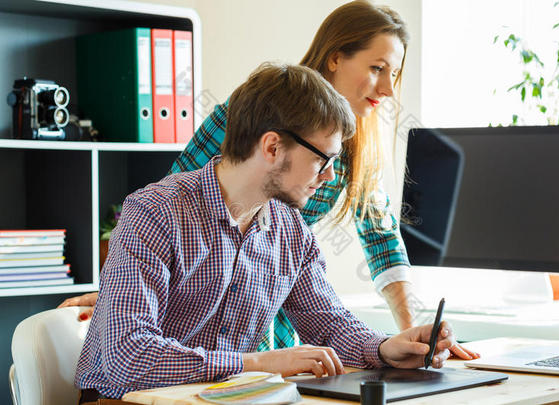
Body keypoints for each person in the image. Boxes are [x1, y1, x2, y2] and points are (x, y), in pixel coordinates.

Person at [60, 0, 477, 360]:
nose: (388, 88)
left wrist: (411, 338)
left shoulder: (302, 215)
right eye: (377, 67)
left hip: (268, 295)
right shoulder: (245, 120)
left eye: (395, 74)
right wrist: (130, 289)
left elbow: (376, 246)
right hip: (197, 312)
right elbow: (173, 219)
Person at [75, 63, 457, 402]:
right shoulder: (155, 212)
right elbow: (128, 360)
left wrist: (388, 348)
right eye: (323, 159)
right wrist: (259, 363)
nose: (329, 176)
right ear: (272, 146)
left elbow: (328, 324)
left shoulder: (290, 231)